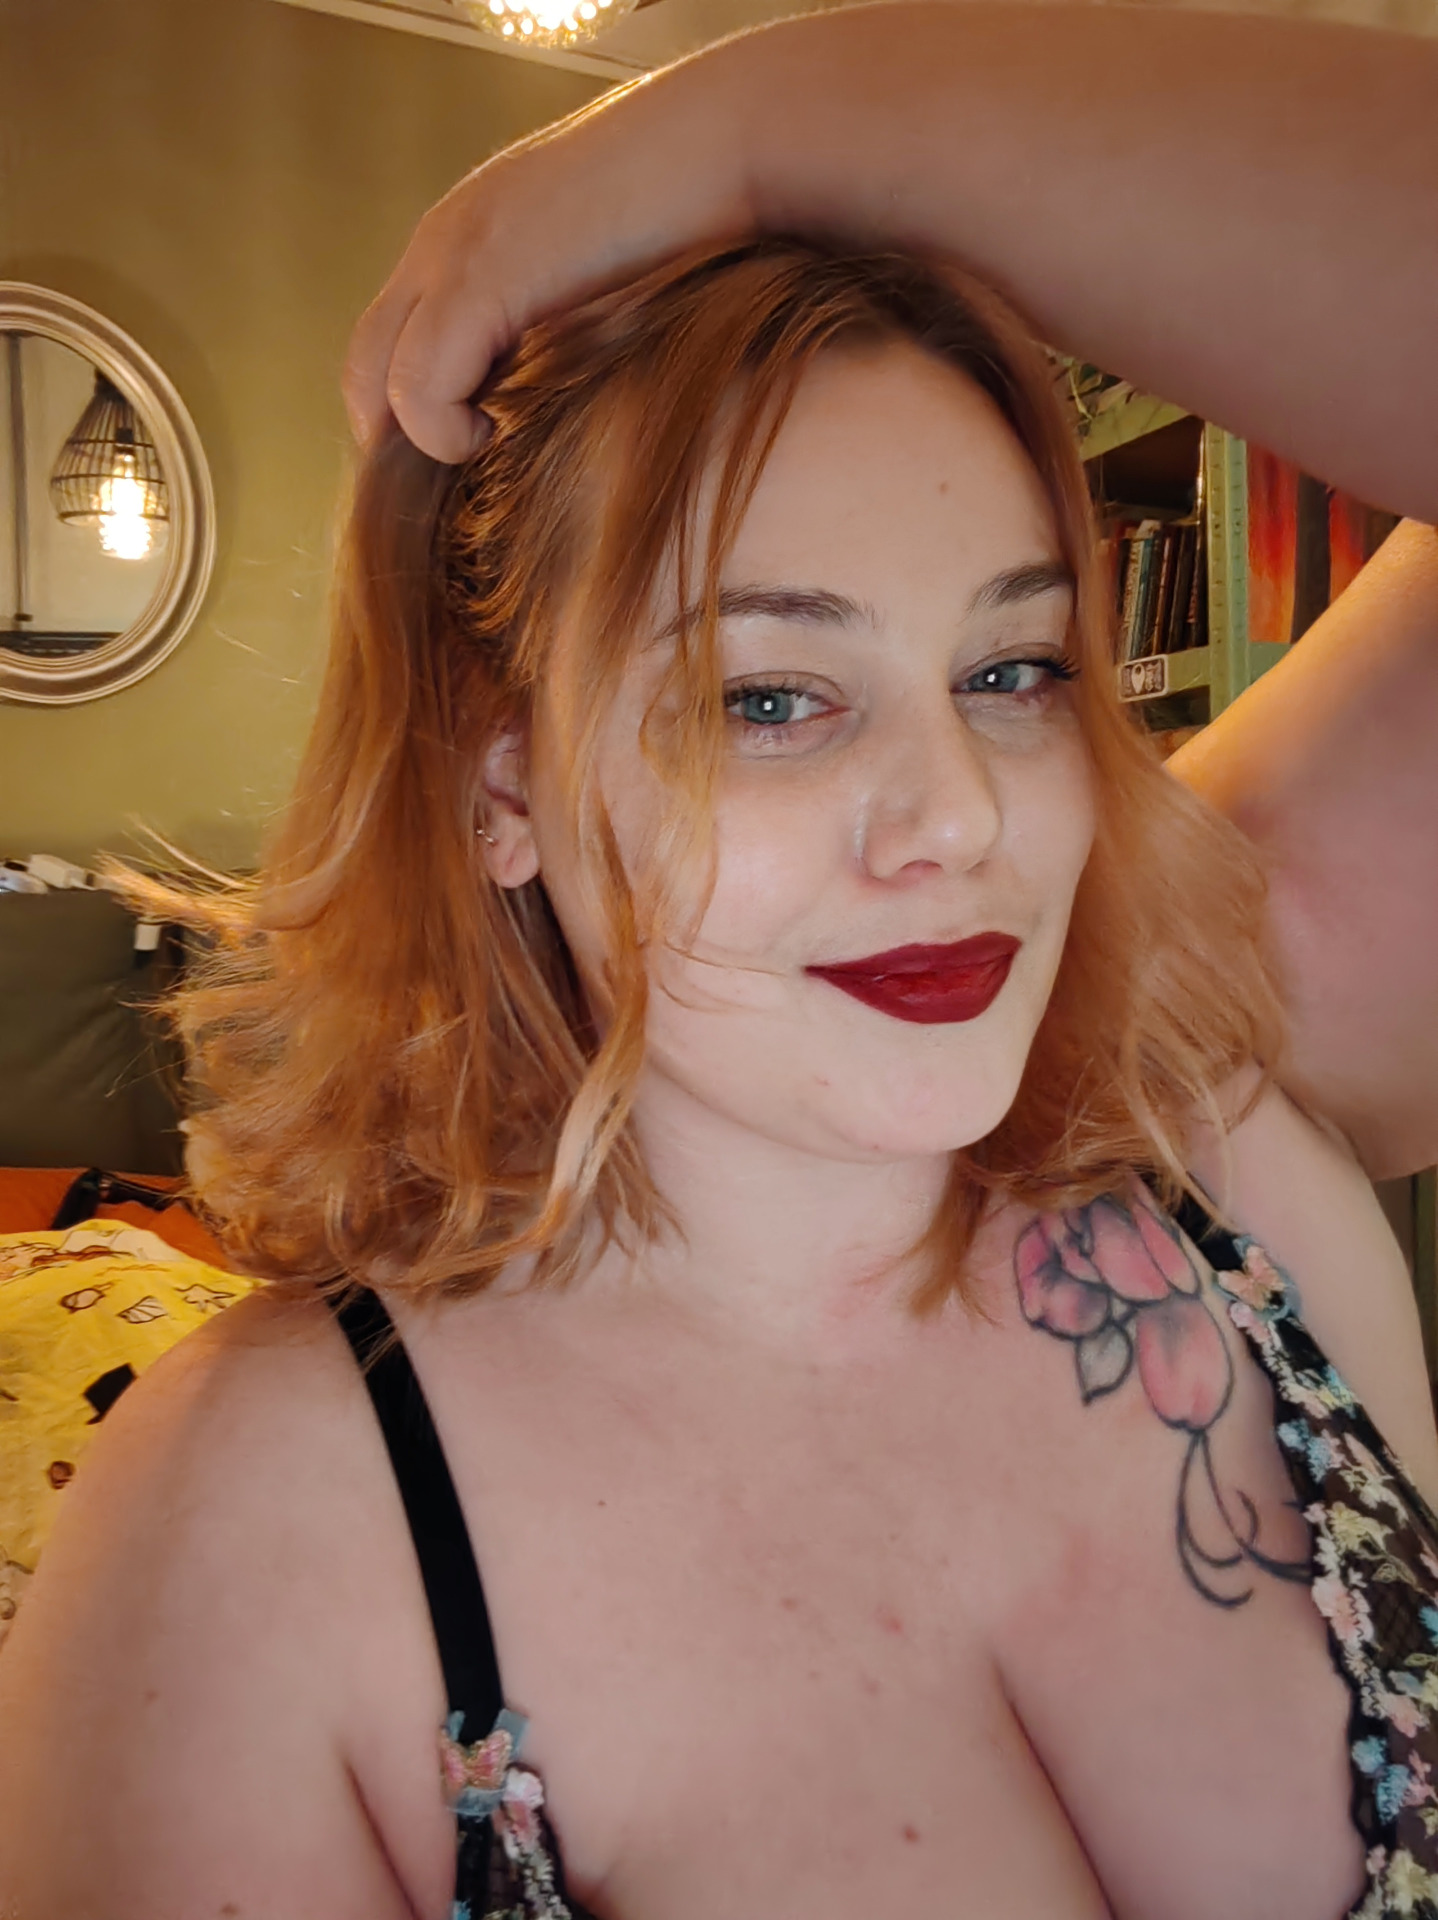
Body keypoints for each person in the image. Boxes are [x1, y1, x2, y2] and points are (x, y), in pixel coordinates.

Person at [2, 11, 1437, 1920]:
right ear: (502, 784)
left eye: (1010, 669)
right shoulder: (255, 1540)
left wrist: (771, 117)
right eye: (770, 697)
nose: (956, 819)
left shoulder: (1214, 1119)